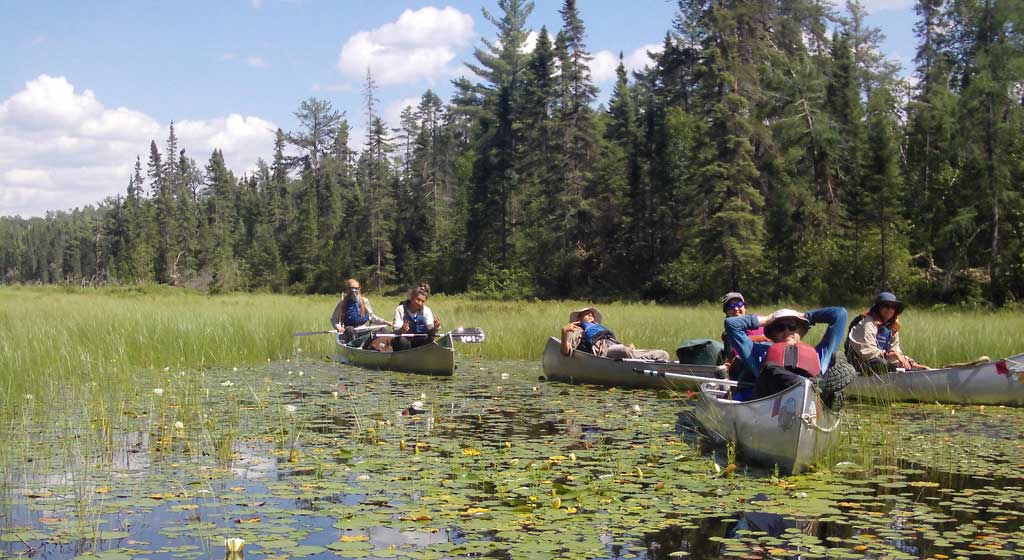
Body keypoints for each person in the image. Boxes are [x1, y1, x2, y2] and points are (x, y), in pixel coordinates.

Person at [724, 306, 848, 401]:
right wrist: (767, 320)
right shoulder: (757, 354)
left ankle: (817, 390)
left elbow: (840, 314)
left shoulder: (819, 354)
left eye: (792, 327)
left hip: (809, 402)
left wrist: (807, 316)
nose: (787, 331)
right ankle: (806, 385)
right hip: (769, 405)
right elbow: (731, 324)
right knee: (769, 369)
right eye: (780, 328)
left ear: (801, 331)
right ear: (772, 334)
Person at [846, 291, 929, 373]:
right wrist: (888, 355)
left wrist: (908, 362)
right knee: (882, 364)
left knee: (905, 364)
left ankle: (924, 370)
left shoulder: (892, 328)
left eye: (892, 307)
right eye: (885, 306)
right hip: (859, 364)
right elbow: (866, 352)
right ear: (878, 308)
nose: (889, 309)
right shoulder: (867, 323)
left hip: (883, 361)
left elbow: (895, 351)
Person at [560, 307, 670, 362]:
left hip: (619, 350)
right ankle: (640, 367)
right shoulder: (575, 329)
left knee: (662, 354)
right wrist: (564, 333)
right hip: (603, 353)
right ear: (578, 318)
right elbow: (566, 352)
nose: (590, 313)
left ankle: (655, 371)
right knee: (623, 350)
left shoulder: (600, 329)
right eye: (586, 313)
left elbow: (615, 345)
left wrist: (628, 347)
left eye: (591, 313)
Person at [719, 292, 770, 371]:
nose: (736, 309)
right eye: (731, 307)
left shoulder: (758, 320)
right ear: (726, 312)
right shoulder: (727, 334)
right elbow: (733, 354)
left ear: (744, 307)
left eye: (739, 304)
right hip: (748, 366)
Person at [330, 278, 383, 344]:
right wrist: (339, 328)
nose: (353, 290)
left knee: (382, 331)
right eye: (351, 288)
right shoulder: (343, 303)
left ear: (359, 289)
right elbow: (334, 319)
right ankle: (353, 345)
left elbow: (371, 317)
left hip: (362, 329)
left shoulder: (364, 301)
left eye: (356, 288)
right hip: (349, 331)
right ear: (348, 289)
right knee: (350, 330)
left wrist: (385, 322)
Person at [392, 287, 441, 352]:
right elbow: (396, 331)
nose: (420, 303)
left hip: (419, 341)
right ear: (412, 297)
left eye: (423, 301)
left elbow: (430, 331)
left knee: (430, 338)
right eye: (418, 299)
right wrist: (402, 330)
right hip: (404, 343)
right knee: (402, 340)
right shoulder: (400, 309)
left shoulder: (426, 310)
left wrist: (435, 328)